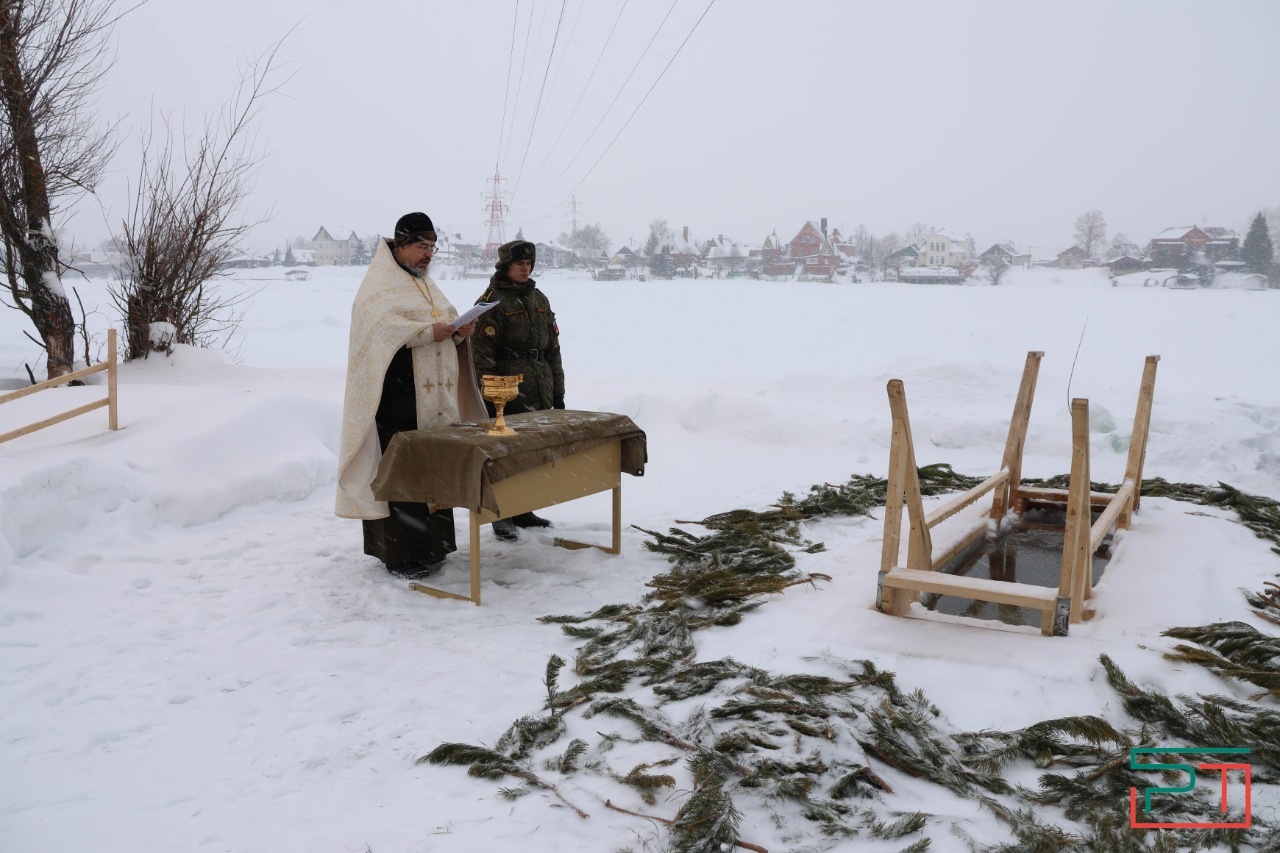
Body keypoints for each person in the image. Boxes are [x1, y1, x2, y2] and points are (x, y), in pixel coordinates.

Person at [336, 212, 487, 578]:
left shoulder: (424, 284)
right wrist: (426, 332)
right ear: (400, 245)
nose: (428, 254)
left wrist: (458, 331)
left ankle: (434, 546)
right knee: (403, 472)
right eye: (421, 246)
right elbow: (381, 331)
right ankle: (402, 554)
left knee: (433, 468)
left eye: (432, 247)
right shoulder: (380, 284)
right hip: (397, 398)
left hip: (432, 401)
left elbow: (442, 323)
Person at [472, 239, 566, 541]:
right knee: (505, 455)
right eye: (519, 264)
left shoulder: (539, 298)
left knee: (532, 453)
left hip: (540, 385)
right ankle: (501, 514)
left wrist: (558, 392)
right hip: (507, 389)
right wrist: (491, 399)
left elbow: (553, 349)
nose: (525, 268)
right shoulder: (490, 302)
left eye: (529, 263)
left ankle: (525, 508)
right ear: (505, 266)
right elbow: (482, 356)